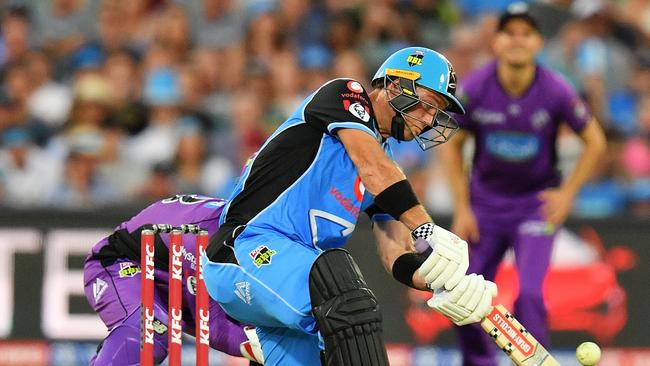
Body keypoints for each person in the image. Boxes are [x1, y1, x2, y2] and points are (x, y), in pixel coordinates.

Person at [202, 46, 498, 366]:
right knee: (347, 294)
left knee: (337, 306)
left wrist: (446, 284)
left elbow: (395, 251)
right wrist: (427, 227)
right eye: (429, 105)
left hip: (296, 285)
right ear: (397, 86)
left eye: (437, 113)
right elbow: (371, 168)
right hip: (245, 250)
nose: (430, 120)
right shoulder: (346, 94)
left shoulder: (388, 169)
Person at [440, 4, 607, 366]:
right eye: (509, 32)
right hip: (484, 206)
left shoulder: (556, 90)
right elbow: (451, 145)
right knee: (463, 294)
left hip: (534, 205)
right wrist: (462, 207)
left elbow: (595, 140)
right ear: (496, 41)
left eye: (525, 33)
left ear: (538, 42)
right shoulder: (476, 88)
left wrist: (567, 193)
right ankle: (478, 363)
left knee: (530, 296)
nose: (517, 40)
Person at [83, 194, 264, 365]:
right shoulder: (209, 238)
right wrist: (260, 347)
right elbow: (210, 324)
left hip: (177, 279)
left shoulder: (262, 229)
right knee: (150, 333)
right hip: (118, 263)